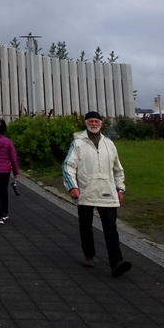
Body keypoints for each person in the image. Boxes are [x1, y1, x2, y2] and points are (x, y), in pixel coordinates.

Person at [62, 111, 132, 277]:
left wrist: (120, 188)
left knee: (110, 226)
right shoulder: (78, 143)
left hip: (107, 191)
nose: (94, 124)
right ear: (86, 123)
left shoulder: (109, 143)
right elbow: (68, 166)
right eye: (91, 121)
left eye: (97, 121)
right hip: (85, 190)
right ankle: (88, 255)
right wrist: (72, 186)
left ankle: (116, 262)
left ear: (101, 124)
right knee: (86, 226)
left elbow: (118, 169)